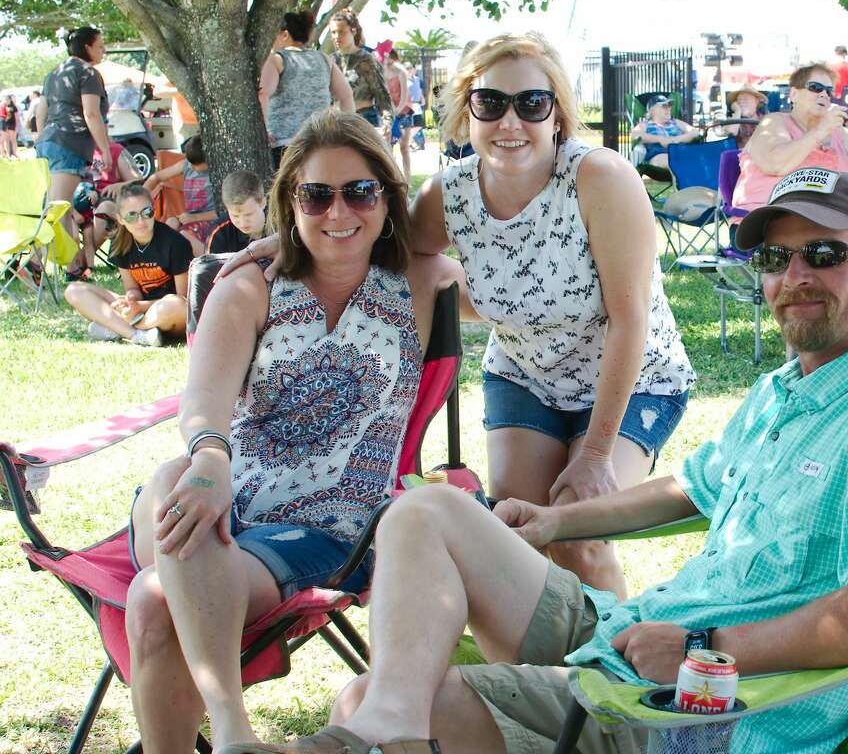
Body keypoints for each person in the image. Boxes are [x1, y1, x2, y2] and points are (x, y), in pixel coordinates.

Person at [225, 167, 848, 754]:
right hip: (635, 633)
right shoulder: (790, 387)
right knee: (423, 512)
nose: (793, 276)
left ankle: (378, 729)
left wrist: (703, 647)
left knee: (376, 704)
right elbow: (691, 488)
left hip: (695, 710)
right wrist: (556, 523)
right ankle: (383, 727)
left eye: (825, 255)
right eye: (775, 257)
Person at [221, 32, 696, 599]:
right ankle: (543, 654)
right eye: (490, 102)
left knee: (580, 535)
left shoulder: (600, 180)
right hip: (527, 377)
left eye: (532, 103)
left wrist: (594, 454)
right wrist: (295, 236)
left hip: (634, 378)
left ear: (557, 115)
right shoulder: (452, 195)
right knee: (514, 534)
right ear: (466, 112)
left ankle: (610, 651)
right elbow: (372, 236)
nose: (510, 121)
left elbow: (629, 318)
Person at [122, 110, 466, 752]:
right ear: (289, 202)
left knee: (151, 600)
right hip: (220, 491)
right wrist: (211, 457)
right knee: (175, 479)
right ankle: (235, 736)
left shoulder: (421, 282)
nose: (339, 211)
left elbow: (517, 283)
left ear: (387, 199)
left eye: (360, 191)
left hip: (332, 526)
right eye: (316, 195)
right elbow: (204, 400)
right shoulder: (251, 287)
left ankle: (230, 734)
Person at [731, 63, 848, 212]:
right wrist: (820, 131)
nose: (824, 94)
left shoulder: (837, 131)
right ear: (794, 94)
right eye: (815, 87)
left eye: (829, 91)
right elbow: (775, 165)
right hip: (771, 215)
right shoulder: (774, 122)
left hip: (829, 215)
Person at [34, 26, 116, 281]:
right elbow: (91, 113)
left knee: (62, 207)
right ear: (87, 47)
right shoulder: (88, 73)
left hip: (49, 142)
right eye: (100, 45)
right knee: (57, 208)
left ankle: (73, 266)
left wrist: (43, 138)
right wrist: (105, 149)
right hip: (69, 143)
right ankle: (35, 262)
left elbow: (41, 112)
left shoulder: (55, 72)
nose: (103, 50)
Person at [64, 184, 191, 347]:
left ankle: (118, 327)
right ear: (120, 219)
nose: (141, 221)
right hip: (139, 308)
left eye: (147, 212)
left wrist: (138, 307)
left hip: (166, 312)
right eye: (132, 216)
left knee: (175, 304)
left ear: (154, 211)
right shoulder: (121, 244)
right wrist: (130, 300)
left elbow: (183, 299)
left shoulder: (175, 243)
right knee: (74, 290)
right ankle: (136, 335)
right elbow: (132, 289)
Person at [259, 10, 354, 167]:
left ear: (285, 35)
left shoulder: (277, 58)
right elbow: (346, 96)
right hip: (321, 142)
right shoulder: (324, 59)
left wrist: (262, 131)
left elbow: (263, 93)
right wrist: (346, 131)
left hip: (286, 143)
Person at [69, 140, 142, 278]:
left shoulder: (115, 150)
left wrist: (120, 185)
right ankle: (74, 265)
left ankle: (81, 264)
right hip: (79, 202)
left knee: (104, 209)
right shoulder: (77, 150)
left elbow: (138, 181)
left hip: (106, 199)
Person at [145, 135, 220, 256]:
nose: (191, 167)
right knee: (170, 224)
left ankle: (209, 262)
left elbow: (222, 212)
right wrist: (142, 195)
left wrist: (194, 218)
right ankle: (160, 259)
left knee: (185, 235)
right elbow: (157, 177)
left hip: (208, 219)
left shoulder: (217, 173)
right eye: (189, 162)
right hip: (187, 218)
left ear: (209, 160)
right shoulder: (186, 165)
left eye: (196, 164)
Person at [329, 10, 393, 135]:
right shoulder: (330, 60)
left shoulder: (366, 60)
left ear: (353, 31)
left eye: (341, 32)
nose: (336, 36)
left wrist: (387, 122)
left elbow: (382, 95)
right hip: (337, 122)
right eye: (333, 32)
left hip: (363, 119)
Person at [631, 94, 702, 168]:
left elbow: (695, 132)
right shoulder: (645, 125)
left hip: (681, 152)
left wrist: (677, 139)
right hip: (659, 154)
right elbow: (634, 135)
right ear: (652, 110)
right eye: (664, 106)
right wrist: (660, 139)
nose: (669, 108)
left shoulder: (675, 122)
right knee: (671, 161)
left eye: (669, 106)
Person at [208, 171, 268, 255]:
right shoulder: (219, 232)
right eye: (235, 216)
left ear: (263, 203)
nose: (243, 223)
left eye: (249, 214)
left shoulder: (282, 220)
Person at [384, 49, 413, 180]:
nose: (387, 60)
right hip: (390, 113)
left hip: (404, 112)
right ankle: (394, 177)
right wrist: (391, 111)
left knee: (404, 148)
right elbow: (386, 95)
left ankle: (407, 178)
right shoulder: (383, 73)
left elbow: (405, 95)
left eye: (389, 57)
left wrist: (398, 110)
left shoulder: (401, 72)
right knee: (389, 146)